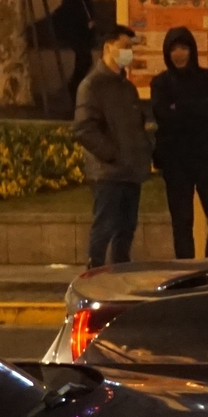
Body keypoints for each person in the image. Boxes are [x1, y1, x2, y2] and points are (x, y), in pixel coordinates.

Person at [150, 25, 208, 260]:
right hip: (175, 163)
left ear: (192, 50)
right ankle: (186, 274)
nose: (179, 54)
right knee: (182, 222)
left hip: (207, 160)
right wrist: (200, 107)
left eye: (184, 48)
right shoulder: (161, 83)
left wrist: (182, 107)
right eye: (174, 49)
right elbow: (164, 115)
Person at [73, 24, 151, 271]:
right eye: (125, 47)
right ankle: (93, 275)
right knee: (104, 226)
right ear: (108, 48)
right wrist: (113, 155)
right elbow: (84, 129)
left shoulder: (126, 86)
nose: (129, 52)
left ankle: (120, 273)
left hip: (130, 171)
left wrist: (142, 153)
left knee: (126, 229)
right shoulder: (92, 85)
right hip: (108, 173)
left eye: (131, 47)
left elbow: (135, 125)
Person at [54, 0, 99, 96]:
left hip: (82, 35)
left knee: (84, 62)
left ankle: (75, 88)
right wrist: (86, 25)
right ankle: (74, 89)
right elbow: (73, 15)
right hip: (79, 35)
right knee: (83, 62)